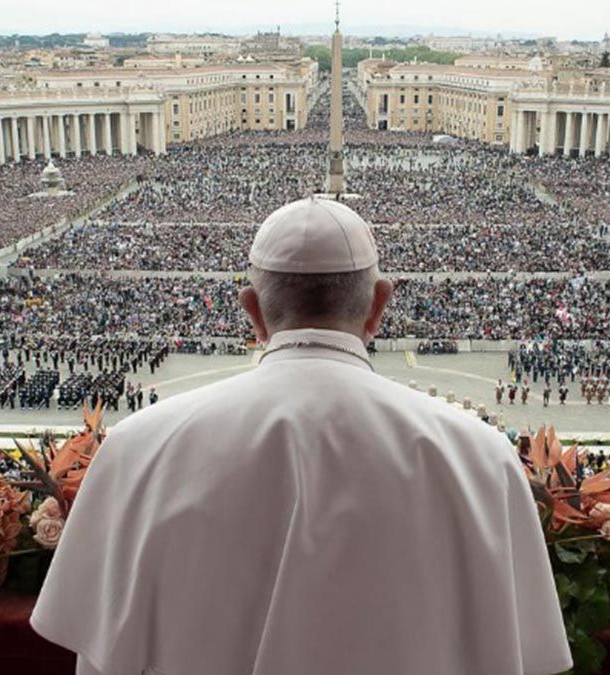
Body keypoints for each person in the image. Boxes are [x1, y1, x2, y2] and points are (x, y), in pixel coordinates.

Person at [32, 197, 571, 675]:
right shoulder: (481, 457)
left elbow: (100, 655)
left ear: (252, 310)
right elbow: (521, 653)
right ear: (380, 305)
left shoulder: (137, 448)